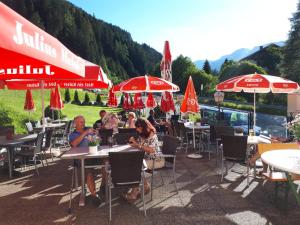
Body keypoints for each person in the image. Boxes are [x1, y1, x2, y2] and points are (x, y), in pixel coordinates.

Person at [126, 118, 165, 203]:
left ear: (144, 126)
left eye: (138, 127)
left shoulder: (152, 134)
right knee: (132, 164)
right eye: (136, 127)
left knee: (136, 167)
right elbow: (141, 145)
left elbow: (151, 150)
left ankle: (135, 192)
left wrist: (138, 145)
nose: (137, 129)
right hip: (146, 158)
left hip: (156, 159)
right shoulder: (142, 134)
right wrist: (133, 142)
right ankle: (145, 186)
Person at [69, 115, 105, 206]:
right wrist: (85, 133)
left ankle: (103, 186)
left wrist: (97, 135)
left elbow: (98, 141)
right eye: (81, 122)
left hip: (95, 155)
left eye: (84, 122)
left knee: (107, 163)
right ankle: (94, 195)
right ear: (75, 124)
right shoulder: (73, 134)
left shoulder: (89, 130)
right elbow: (74, 144)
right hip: (83, 158)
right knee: (89, 171)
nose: (83, 124)